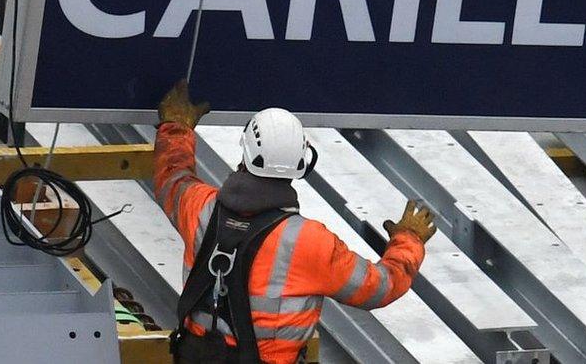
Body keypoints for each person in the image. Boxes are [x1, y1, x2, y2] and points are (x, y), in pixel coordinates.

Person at [152, 80, 437, 364]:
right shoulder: (311, 242)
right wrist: (409, 239)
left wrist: (176, 128)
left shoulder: (200, 207)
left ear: (245, 152)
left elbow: (173, 177)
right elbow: (379, 287)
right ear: (301, 162)